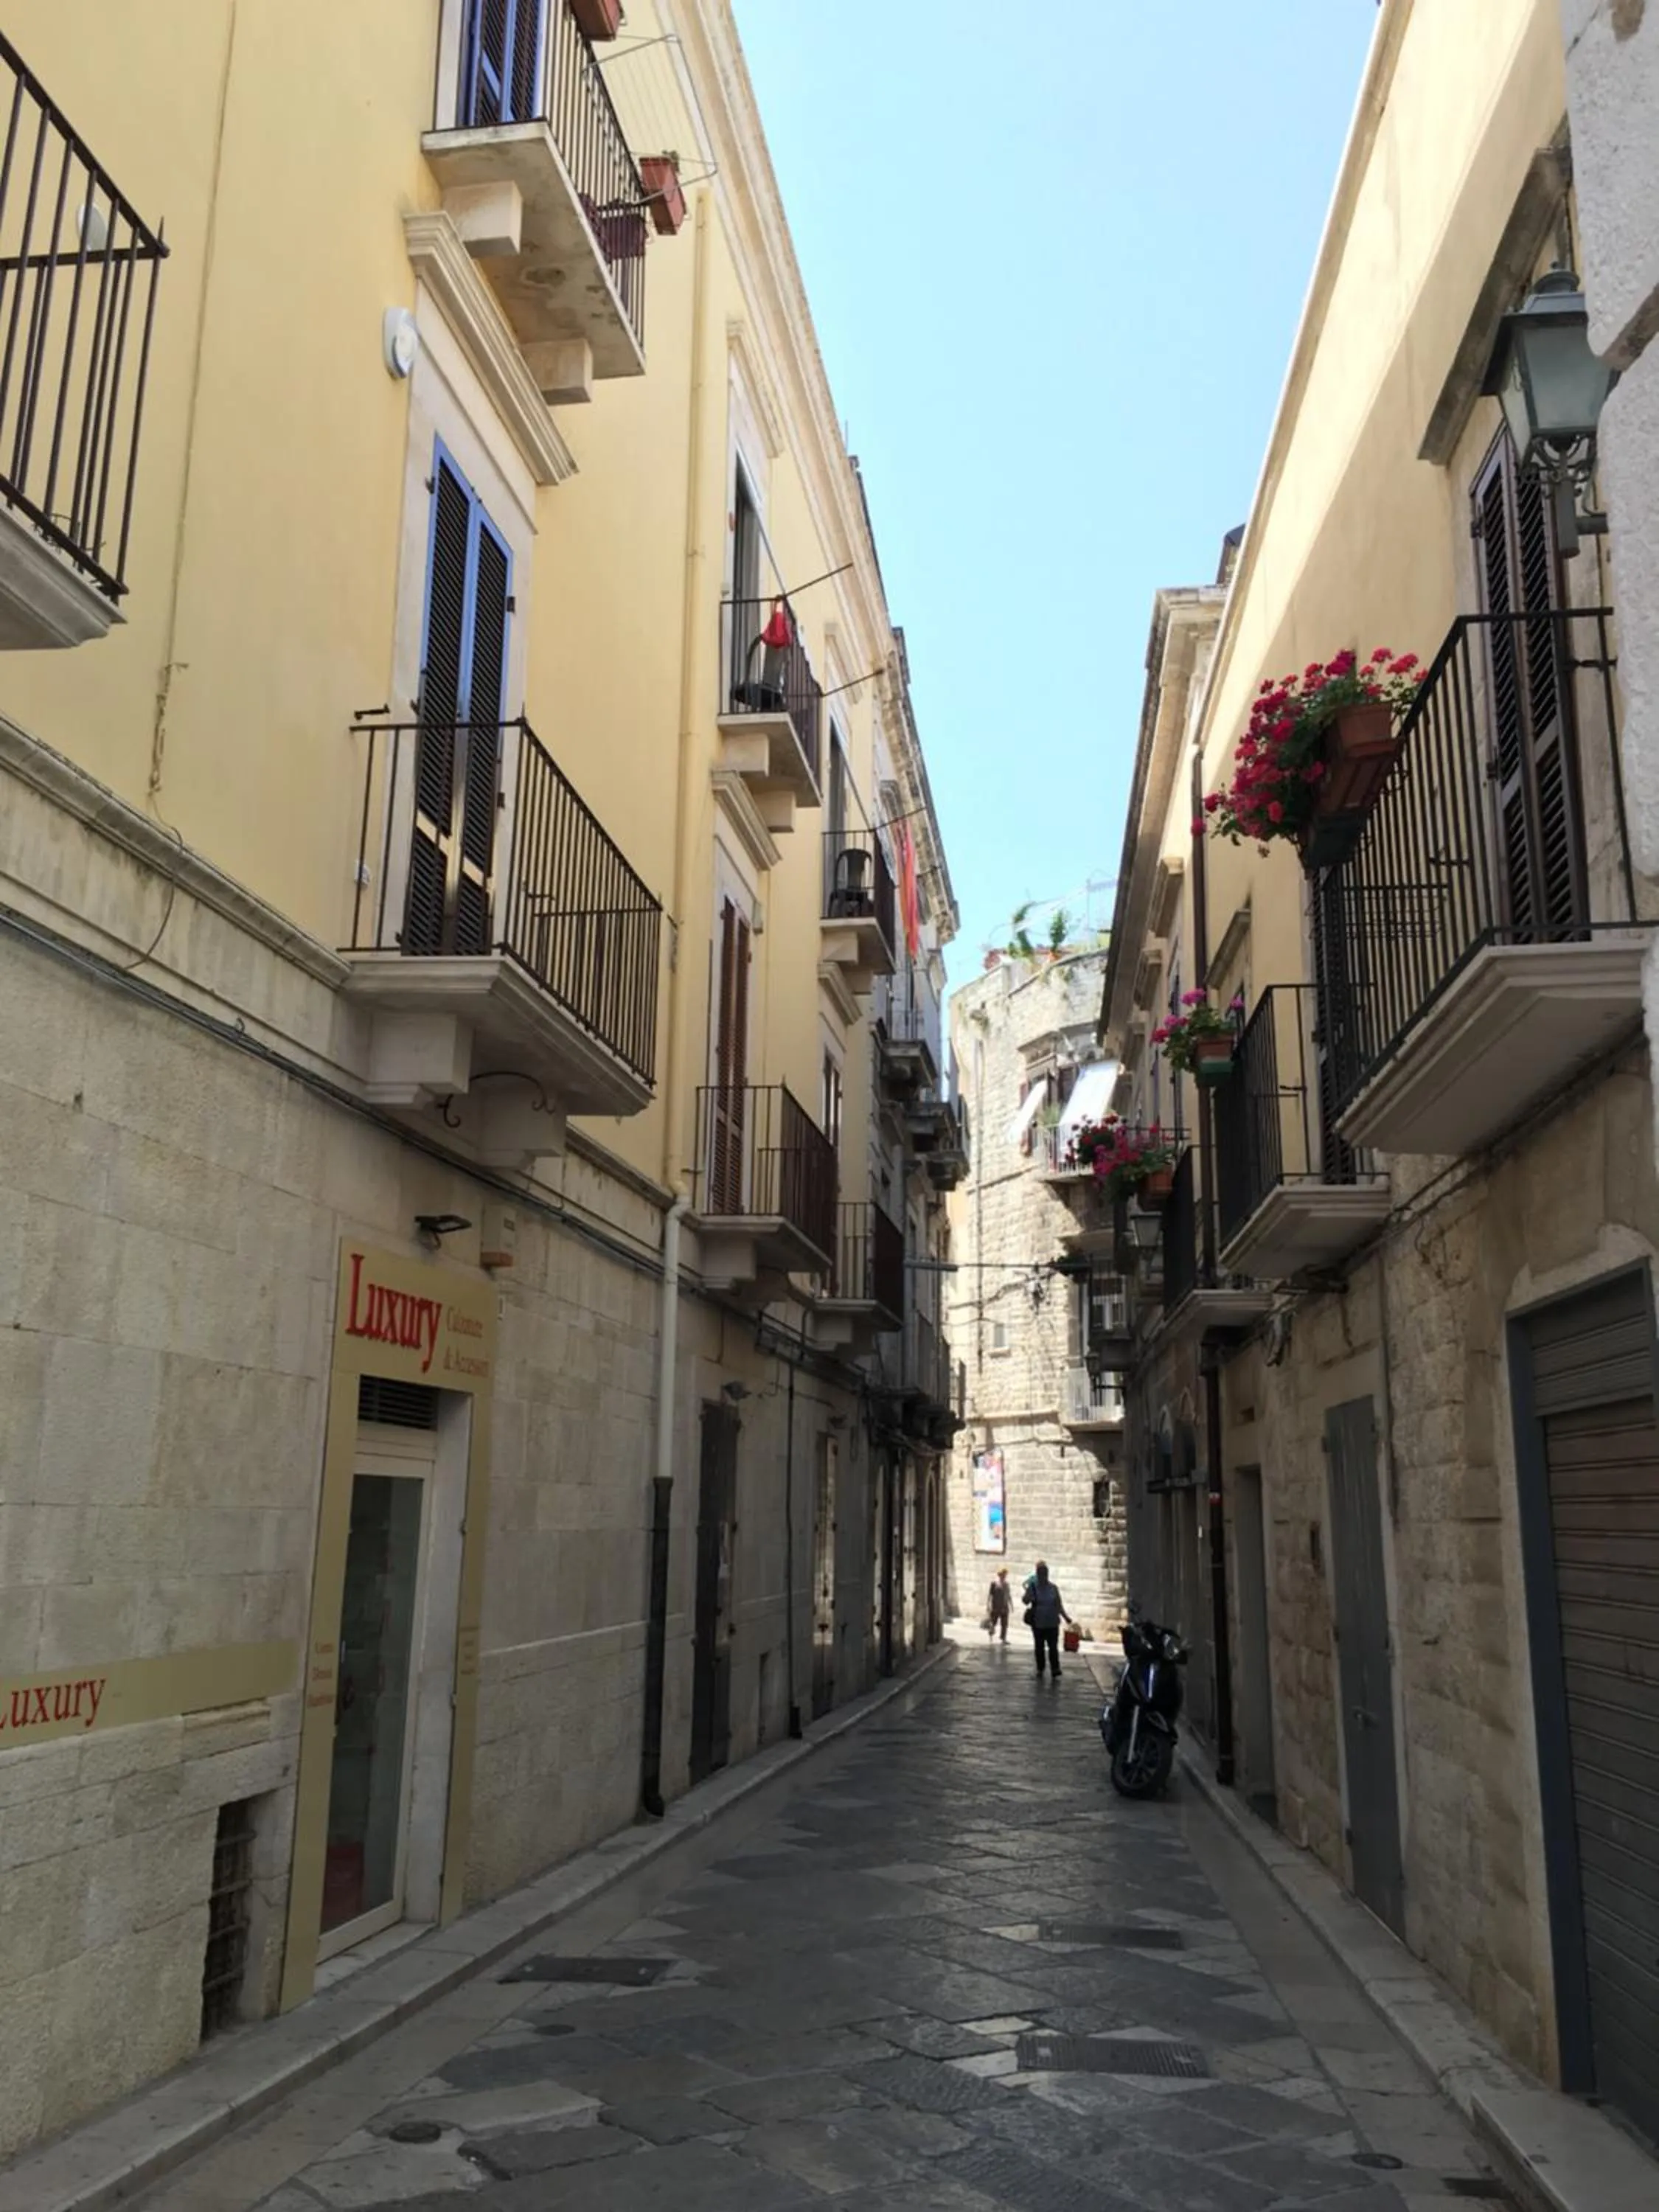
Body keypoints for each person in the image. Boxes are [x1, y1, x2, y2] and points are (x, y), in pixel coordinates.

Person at [1025, 1560, 1071, 1678]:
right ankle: (1040, 1668)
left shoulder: (1053, 1588)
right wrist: (1029, 1595)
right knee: (1039, 1647)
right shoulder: (1033, 1587)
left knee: (1053, 1647)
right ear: (1037, 1574)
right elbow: (1025, 1601)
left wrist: (1066, 1617)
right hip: (1038, 1622)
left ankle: (1055, 1668)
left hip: (1052, 1622)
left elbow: (1058, 1605)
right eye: (1041, 1573)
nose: (1043, 1576)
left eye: (1044, 1573)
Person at [987, 1568, 1012, 1641]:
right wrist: (988, 1605)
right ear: (999, 1575)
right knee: (993, 1623)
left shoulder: (1007, 1584)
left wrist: (1011, 1604)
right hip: (996, 1606)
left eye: (1005, 1575)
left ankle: (1003, 1638)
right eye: (1003, 1575)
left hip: (1004, 1607)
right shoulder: (994, 1583)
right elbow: (990, 1595)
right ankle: (991, 1636)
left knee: (1005, 1624)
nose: (1004, 1576)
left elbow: (1008, 1595)